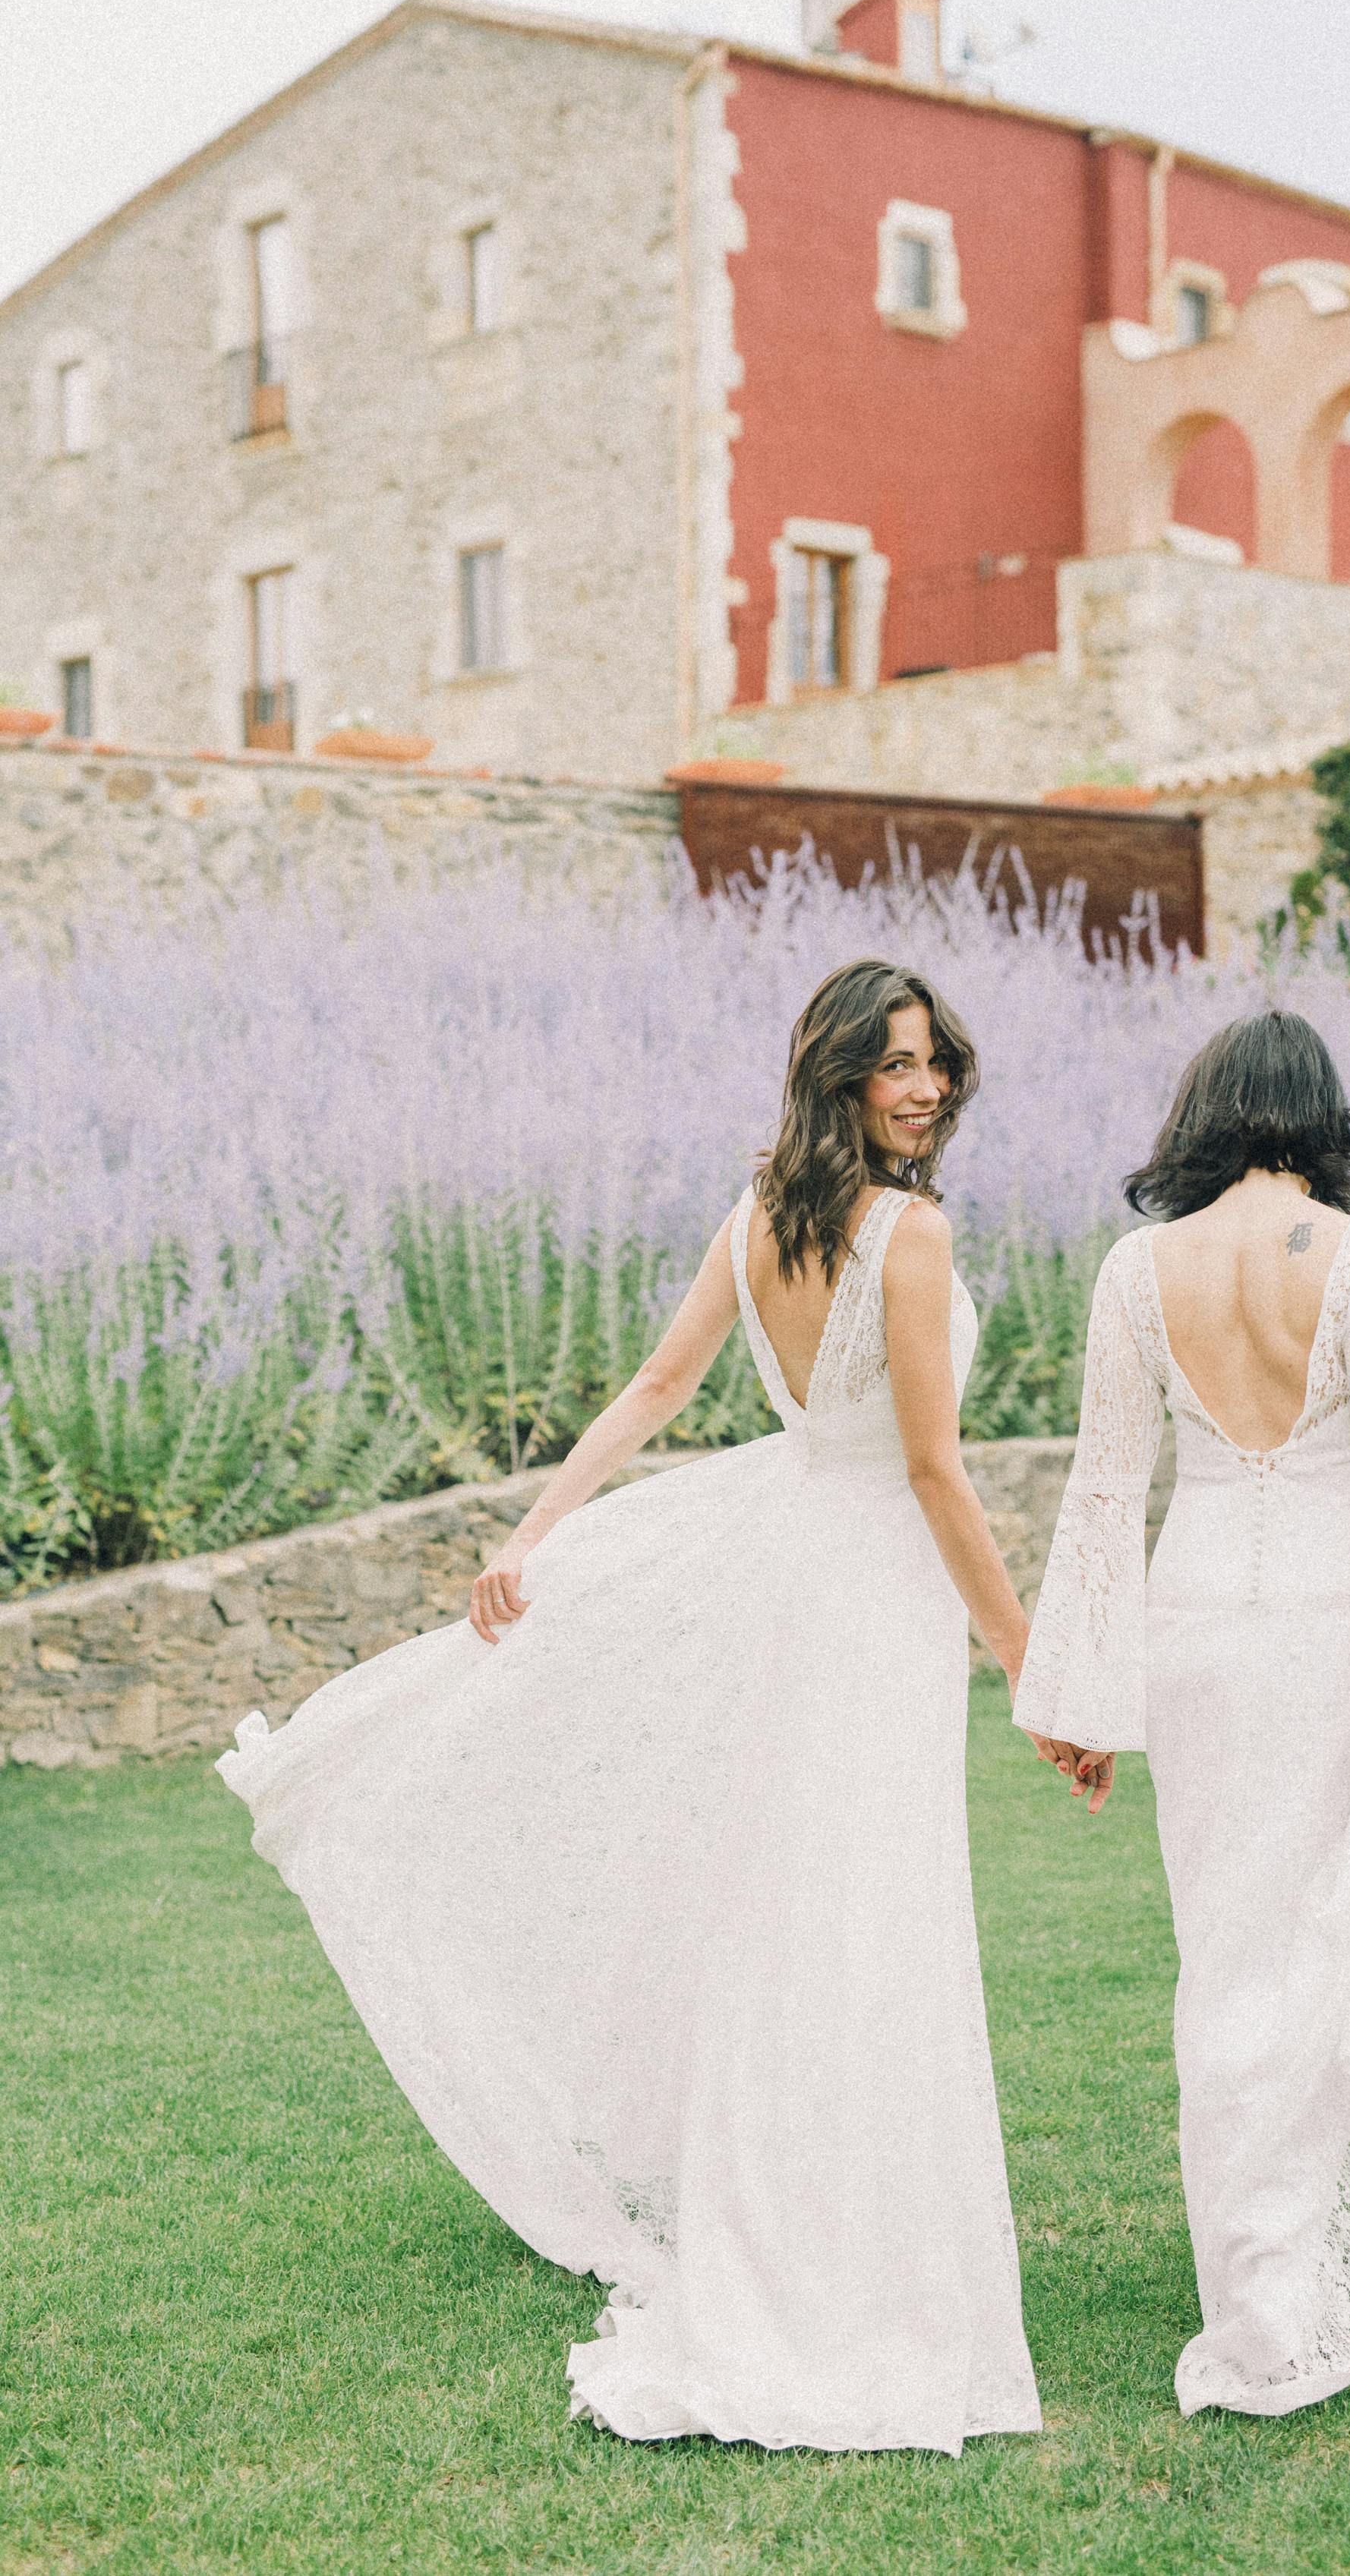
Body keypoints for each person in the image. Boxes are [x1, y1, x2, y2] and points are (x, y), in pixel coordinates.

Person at [218, 957, 1043, 2457]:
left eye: (935, 1061)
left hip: (807, 1568)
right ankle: (831, 2249)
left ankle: (799, 2206)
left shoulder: (762, 1217)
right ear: (838, 1075)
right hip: (862, 1589)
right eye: (894, 1064)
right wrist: (1023, 1649)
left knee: (804, 1898)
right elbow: (928, 1467)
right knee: (855, 1900)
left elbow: (660, 1385)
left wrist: (537, 1526)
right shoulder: (906, 1234)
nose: (924, 1086)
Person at [1014, 1009, 1350, 2419]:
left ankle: (1254, 2271)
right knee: (1341, 1923)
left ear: (1208, 1116)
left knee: (1225, 1941)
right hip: (1342, 1624)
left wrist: (1079, 1698)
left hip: (1202, 1627)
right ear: (1320, 1117)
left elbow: (1105, 1489)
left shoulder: (1135, 1269)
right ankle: (1299, 2270)